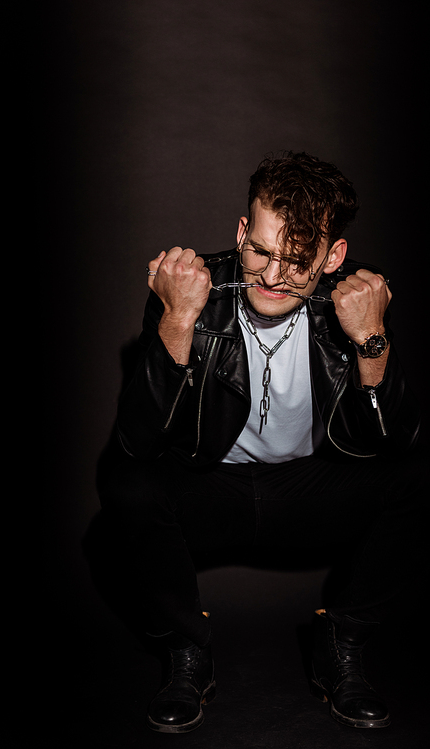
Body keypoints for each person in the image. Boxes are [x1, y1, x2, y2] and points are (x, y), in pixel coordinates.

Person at [93, 151, 422, 734]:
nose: (273, 277)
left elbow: (393, 442)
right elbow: (138, 442)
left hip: (308, 488)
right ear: (243, 232)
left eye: (298, 262)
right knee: (126, 484)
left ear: (333, 256)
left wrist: (371, 336)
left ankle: (342, 645)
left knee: (417, 479)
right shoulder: (195, 290)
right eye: (261, 252)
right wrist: (177, 319)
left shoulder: (352, 301)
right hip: (209, 483)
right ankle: (188, 651)